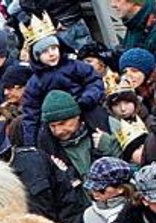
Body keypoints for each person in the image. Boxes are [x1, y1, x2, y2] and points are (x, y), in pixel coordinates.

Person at [19, 13, 106, 146]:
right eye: (44, 51)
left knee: (99, 118)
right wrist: (31, 143)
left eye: (54, 48)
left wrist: (88, 97)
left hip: (83, 108)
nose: (51, 53)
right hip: (54, 122)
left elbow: (94, 81)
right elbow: (31, 113)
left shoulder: (75, 66)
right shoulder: (35, 82)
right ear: (36, 56)